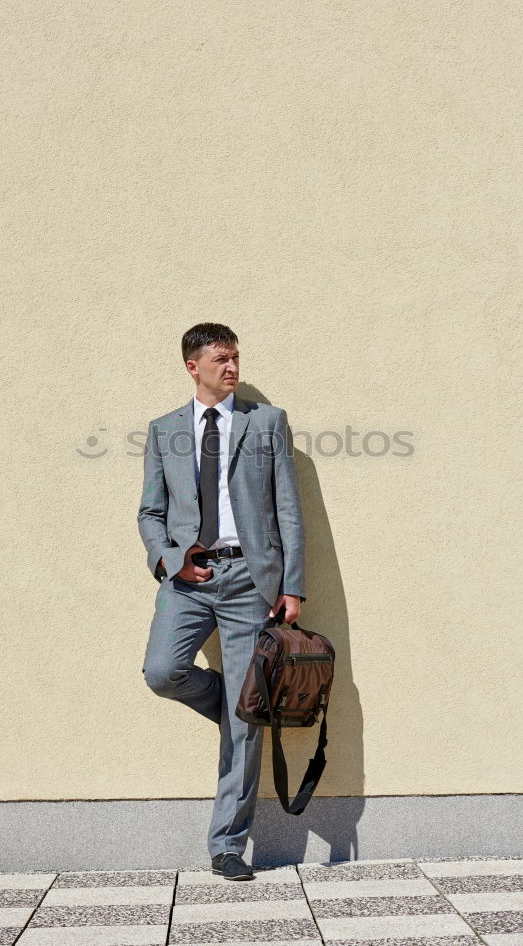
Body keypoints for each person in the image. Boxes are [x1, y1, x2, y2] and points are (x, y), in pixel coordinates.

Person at [138, 321, 306, 880]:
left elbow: (288, 509)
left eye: (236, 357)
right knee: (163, 671)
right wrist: (169, 558)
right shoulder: (164, 431)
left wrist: (291, 586)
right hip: (186, 579)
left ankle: (227, 844)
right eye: (220, 359)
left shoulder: (267, 422)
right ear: (193, 366)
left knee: (246, 717)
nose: (232, 367)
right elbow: (150, 513)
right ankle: (227, 705)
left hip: (248, 582)